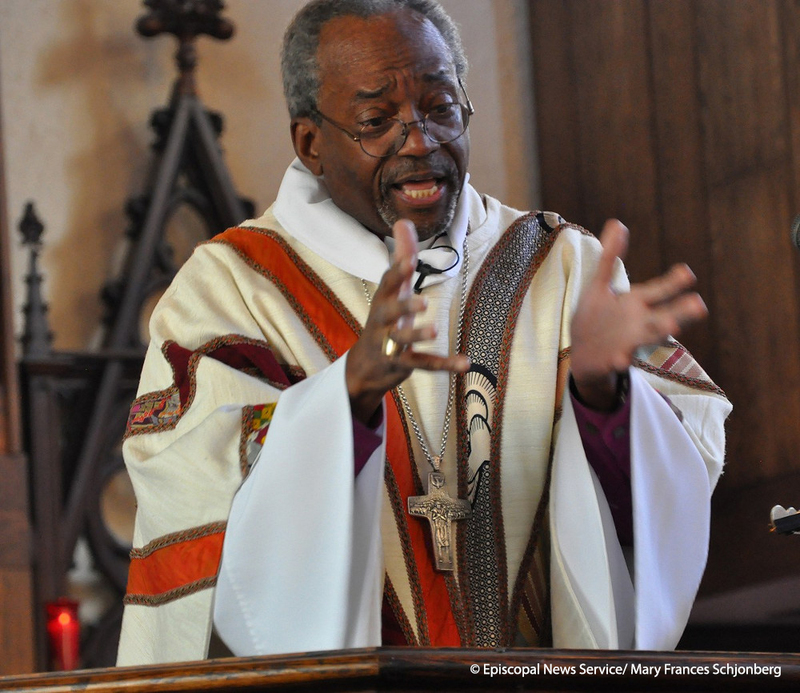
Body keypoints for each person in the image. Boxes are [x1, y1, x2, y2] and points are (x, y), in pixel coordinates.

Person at [116, 0, 731, 666]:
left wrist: (604, 397)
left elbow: (676, 485)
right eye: (377, 120)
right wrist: (343, 400)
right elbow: (185, 487)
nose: (420, 141)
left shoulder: (564, 267)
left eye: (441, 107)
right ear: (310, 142)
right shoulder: (232, 289)